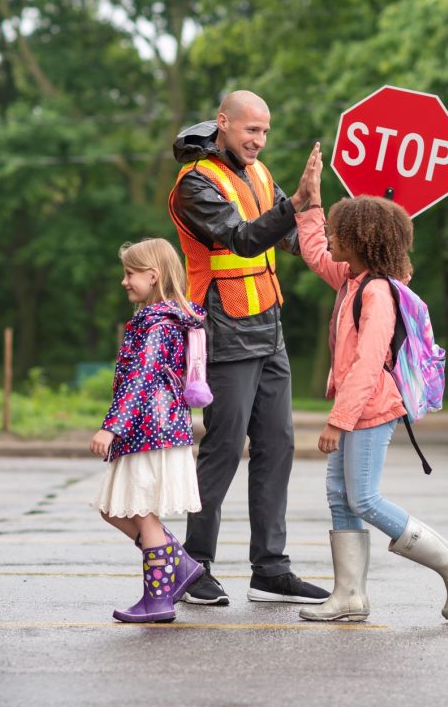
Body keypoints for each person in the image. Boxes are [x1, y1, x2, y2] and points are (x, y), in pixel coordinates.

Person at [167, 90, 329, 606]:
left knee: (278, 445)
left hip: (268, 325)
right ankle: (192, 567)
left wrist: (363, 229)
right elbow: (240, 238)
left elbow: (289, 236)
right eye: (250, 130)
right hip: (223, 328)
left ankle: (270, 569)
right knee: (222, 449)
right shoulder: (196, 182)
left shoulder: (258, 175)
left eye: (265, 131)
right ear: (223, 123)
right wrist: (296, 206)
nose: (258, 140)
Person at [293, 186, 448, 622]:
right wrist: (312, 203)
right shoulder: (352, 280)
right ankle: (349, 597)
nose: (332, 239)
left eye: (339, 233)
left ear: (360, 241)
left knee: (363, 498)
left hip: (371, 409)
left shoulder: (377, 292)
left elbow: (368, 362)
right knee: (340, 497)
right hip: (358, 408)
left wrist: (337, 421)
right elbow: (316, 252)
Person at [89, 238, 207, 624]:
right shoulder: (165, 318)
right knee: (113, 508)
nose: (124, 281)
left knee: (143, 514)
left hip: (148, 430)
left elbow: (141, 378)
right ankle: (182, 564)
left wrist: (111, 427)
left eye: (130, 273)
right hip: (155, 429)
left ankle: (158, 599)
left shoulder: (156, 324)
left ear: (153, 276)